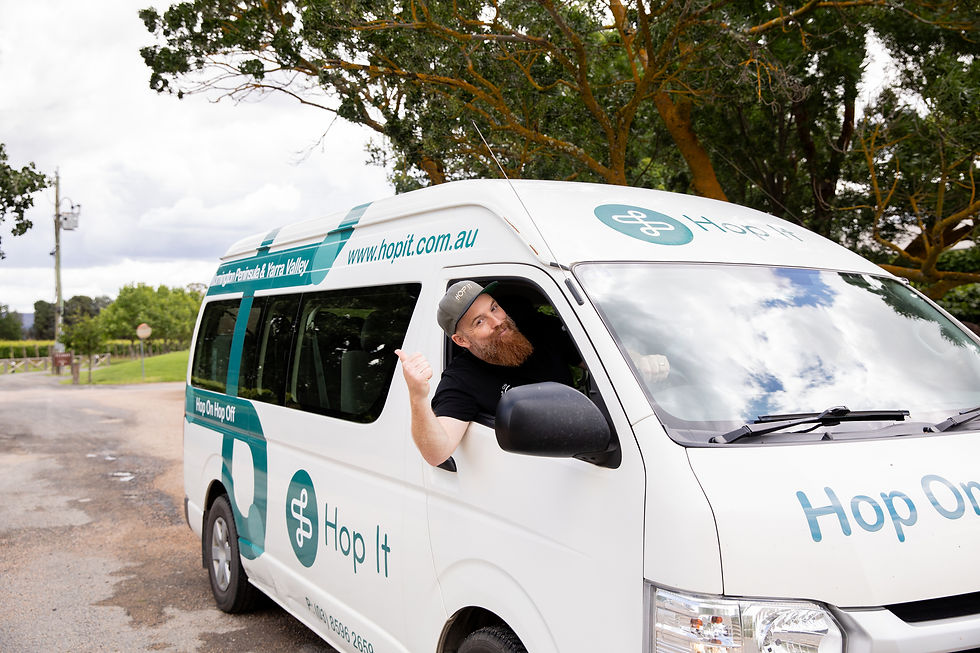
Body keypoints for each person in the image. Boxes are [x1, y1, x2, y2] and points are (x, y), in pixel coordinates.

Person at [395, 280, 580, 466]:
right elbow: (436, 453)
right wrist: (417, 396)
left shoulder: (540, 330)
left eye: (494, 308)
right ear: (461, 340)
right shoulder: (462, 379)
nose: (498, 321)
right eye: (480, 321)